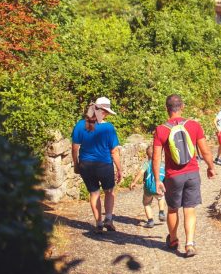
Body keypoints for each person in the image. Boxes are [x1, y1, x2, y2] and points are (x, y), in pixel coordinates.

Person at [153, 94, 215, 258]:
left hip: (173, 176)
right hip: (192, 174)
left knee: (173, 209)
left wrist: (158, 179)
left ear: (167, 109)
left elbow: (156, 157)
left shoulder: (161, 129)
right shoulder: (194, 125)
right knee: (190, 209)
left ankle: (173, 240)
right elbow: (205, 151)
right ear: (183, 107)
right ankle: (189, 244)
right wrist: (211, 167)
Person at [71, 96, 122, 233]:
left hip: (86, 165)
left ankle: (99, 223)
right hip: (104, 165)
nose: (106, 114)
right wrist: (119, 169)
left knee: (94, 194)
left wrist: (76, 164)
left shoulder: (80, 125)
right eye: (106, 112)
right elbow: (114, 151)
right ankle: (109, 219)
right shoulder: (108, 128)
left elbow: (75, 147)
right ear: (102, 111)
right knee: (109, 192)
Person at [129, 146, 167, 228]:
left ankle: (150, 221)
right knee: (161, 198)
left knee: (146, 203)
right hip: (159, 187)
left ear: (147, 155)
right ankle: (161, 212)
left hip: (148, 188)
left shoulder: (146, 164)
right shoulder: (162, 164)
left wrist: (134, 182)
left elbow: (140, 173)